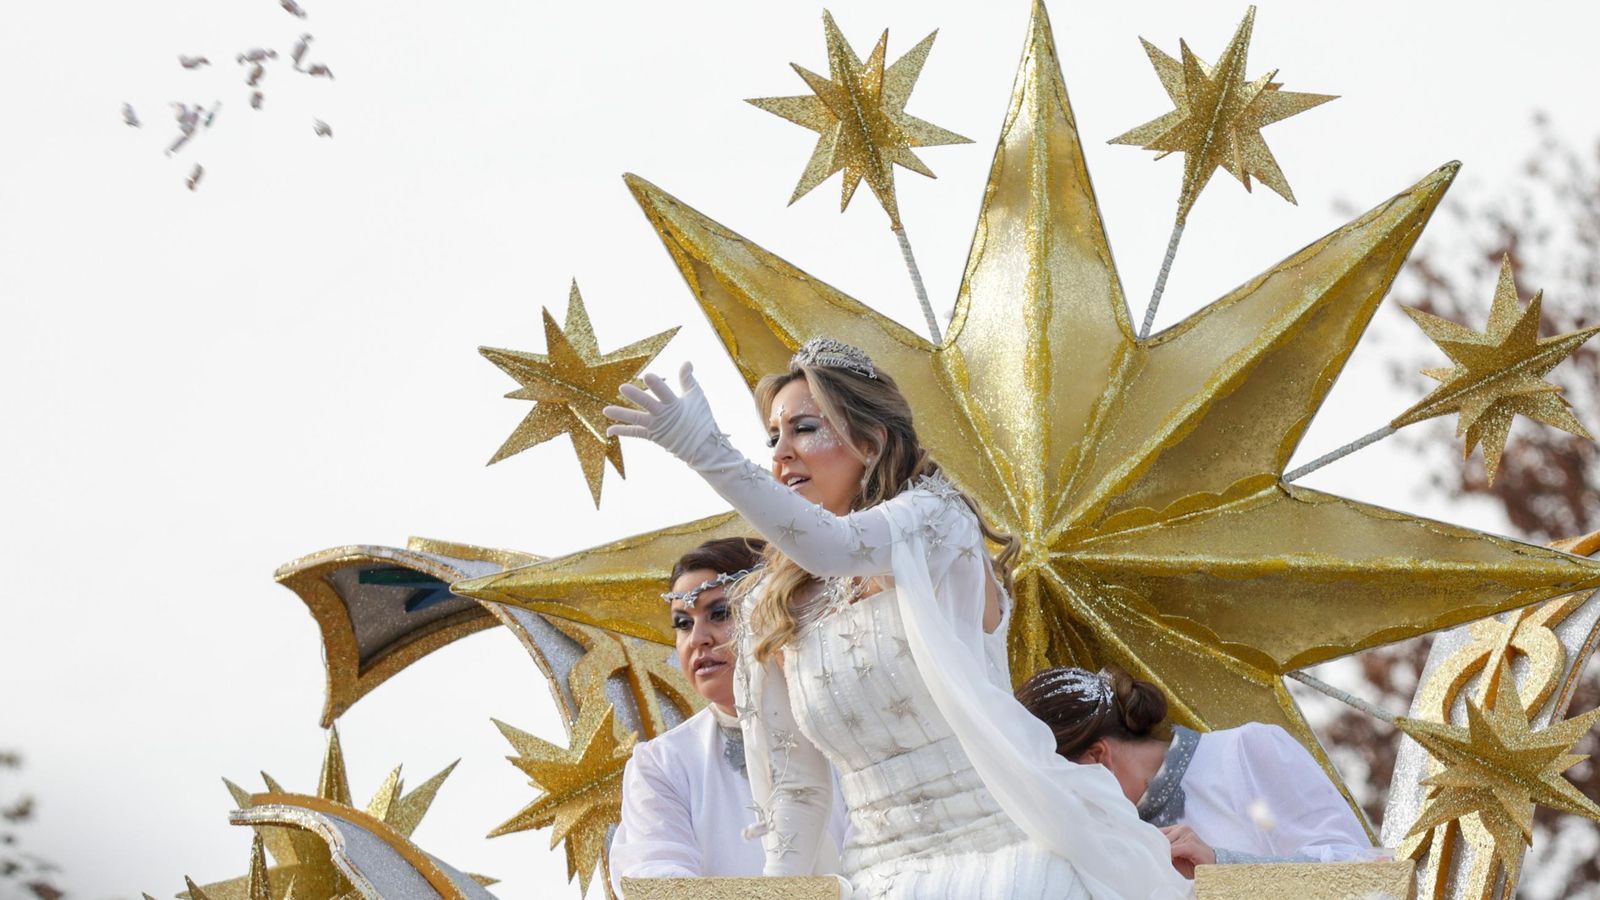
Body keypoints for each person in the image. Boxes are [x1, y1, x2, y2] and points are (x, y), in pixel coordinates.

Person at [605, 339, 1190, 899]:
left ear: (872, 438)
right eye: (773, 437)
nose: (781, 454)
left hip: (1016, 857)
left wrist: (708, 451)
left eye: (804, 428)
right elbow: (798, 791)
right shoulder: (770, 605)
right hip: (880, 878)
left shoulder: (936, 522)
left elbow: (833, 546)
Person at [608, 537, 846, 893]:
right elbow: (656, 879)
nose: (697, 639)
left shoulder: (847, 727)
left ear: (774, 613)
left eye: (720, 614)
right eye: (682, 623)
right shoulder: (662, 764)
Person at [1015, 666, 1377, 873]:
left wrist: (1221, 867)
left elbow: (1362, 874)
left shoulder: (1245, 753)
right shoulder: (1108, 851)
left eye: (1064, 789)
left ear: (1097, 757)